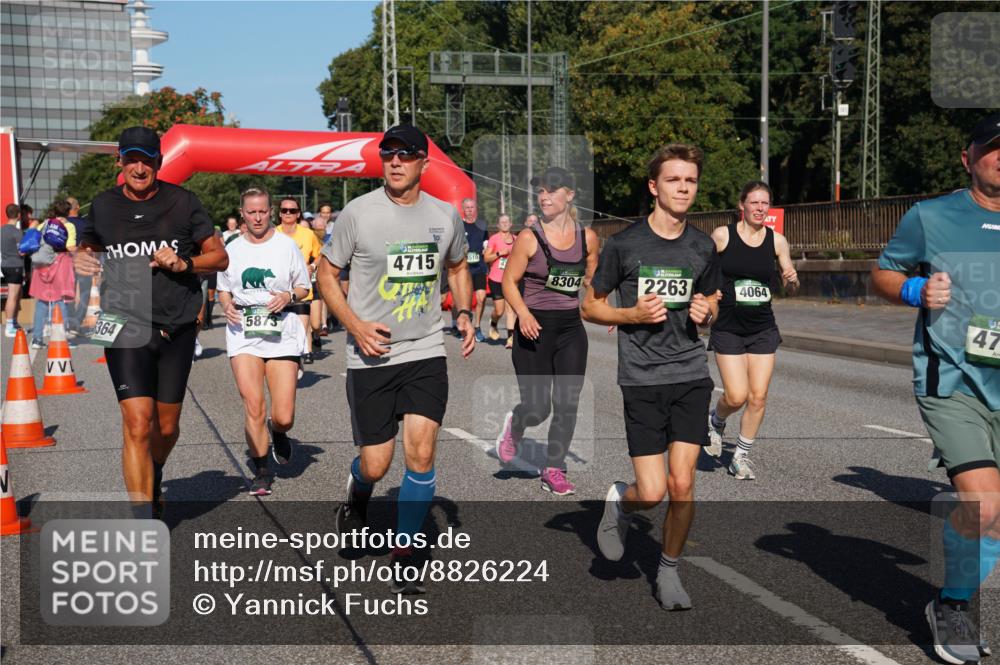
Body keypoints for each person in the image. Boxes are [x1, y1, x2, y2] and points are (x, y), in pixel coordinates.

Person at [317, 123, 475, 593]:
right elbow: (326, 274)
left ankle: (405, 551)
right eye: (388, 154)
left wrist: (464, 312)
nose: (396, 162)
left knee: (421, 452)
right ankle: (357, 491)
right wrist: (355, 325)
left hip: (425, 349)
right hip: (372, 355)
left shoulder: (445, 215)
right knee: (377, 463)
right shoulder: (358, 213)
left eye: (406, 154)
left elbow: (458, 266)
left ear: (424, 162)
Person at [871, 112, 1000, 665]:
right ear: (968, 159)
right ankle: (953, 606)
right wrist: (916, 291)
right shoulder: (931, 216)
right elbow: (883, 273)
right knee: (985, 502)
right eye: (993, 147)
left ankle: (954, 594)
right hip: (952, 381)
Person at [583, 143, 720, 610]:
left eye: (690, 180)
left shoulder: (703, 245)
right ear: (654, 187)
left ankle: (668, 572)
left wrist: (707, 311)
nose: (683, 188)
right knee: (653, 491)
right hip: (642, 377)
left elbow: (712, 299)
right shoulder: (624, 245)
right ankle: (621, 501)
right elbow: (590, 307)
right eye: (673, 179)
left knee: (682, 485)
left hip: (691, 374)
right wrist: (632, 315)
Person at [74, 126, 228, 516]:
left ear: (159, 162)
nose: (139, 168)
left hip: (176, 324)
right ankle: (142, 522)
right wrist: (82, 257)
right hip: (124, 320)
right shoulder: (104, 205)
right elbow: (88, 245)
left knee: (166, 427)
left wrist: (184, 262)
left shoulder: (183, 202)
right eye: (132, 160)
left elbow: (220, 258)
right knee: (137, 424)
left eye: (147, 160)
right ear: (120, 161)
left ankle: (154, 471)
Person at [495, 168, 599, 495]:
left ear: (570, 194)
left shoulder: (587, 238)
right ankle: (517, 422)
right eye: (540, 191)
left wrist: (602, 304)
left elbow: (592, 278)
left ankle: (554, 468)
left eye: (552, 190)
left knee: (567, 403)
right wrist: (523, 313)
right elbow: (509, 282)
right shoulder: (529, 237)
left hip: (570, 329)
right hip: (534, 328)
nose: (544, 197)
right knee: (539, 408)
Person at [218, 187, 310, 496]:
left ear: (270, 212)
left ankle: (278, 430)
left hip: (281, 330)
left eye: (262, 211)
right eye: (251, 212)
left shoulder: (286, 246)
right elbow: (224, 288)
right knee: (253, 404)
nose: (257, 217)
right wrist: (226, 305)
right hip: (243, 331)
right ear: (242, 213)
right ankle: (261, 470)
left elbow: (303, 286)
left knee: (284, 415)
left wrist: (288, 295)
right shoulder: (232, 247)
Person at [704, 181, 799, 479]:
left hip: (762, 327)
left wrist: (791, 279)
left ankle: (740, 456)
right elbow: (703, 272)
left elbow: (791, 286)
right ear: (742, 205)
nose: (760, 208)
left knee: (758, 396)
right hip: (728, 326)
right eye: (754, 202)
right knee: (736, 396)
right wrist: (710, 292)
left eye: (764, 203)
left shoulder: (777, 241)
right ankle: (716, 420)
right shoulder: (723, 235)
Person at [276, 196, 322, 364]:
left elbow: (321, 254)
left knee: (306, 329)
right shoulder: (272, 233)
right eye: (284, 210)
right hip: (279, 290)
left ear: (298, 214)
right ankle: (295, 359)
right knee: (283, 333)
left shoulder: (308, 234)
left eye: (292, 210)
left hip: (302, 288)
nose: (288, 213)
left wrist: (313, 266)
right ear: (279, 213)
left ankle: (304, 352)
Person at [29, 201, 77, 349]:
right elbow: (70, 247)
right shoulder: (68, 226)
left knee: (42, 302)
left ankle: (37, 339)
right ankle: (61, 338)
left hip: (42, 265)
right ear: (68, 212)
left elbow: (35, 241)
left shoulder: (44, 224)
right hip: (60, 265)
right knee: (60, 302)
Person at [454, 197, 488, 340]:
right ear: (463, 209)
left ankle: (477, 327)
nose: (469, 210)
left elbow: (486, 243)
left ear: (476, 209)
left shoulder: (482, 225)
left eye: (472, 207)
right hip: (463, 269)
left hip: (479, 268)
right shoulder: (459, 225)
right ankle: (460, 325)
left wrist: (487, 250)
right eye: (467, 207)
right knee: (462, 300)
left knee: (481, 297)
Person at [483, 213, 516, 348]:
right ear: (498, 225)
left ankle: (510, 339)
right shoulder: (494, 239)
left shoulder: (516, 239)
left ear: (511, 224)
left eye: (507, 222)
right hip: (496, 279)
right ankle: (493, 323)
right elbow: (486, 258)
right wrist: (498, 253)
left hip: (510, 279)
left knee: (510, 309)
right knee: (499, 310)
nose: (505, 224)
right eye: (502, 222)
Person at [2, 203, 24, 337]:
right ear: (19, 215)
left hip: (5, 264)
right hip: (15, 265)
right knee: (13, 296)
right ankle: (9, 326)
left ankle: (14, 323)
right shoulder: (17, 232)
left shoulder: (1, 230)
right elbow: (22, 251)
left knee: (17, 294)